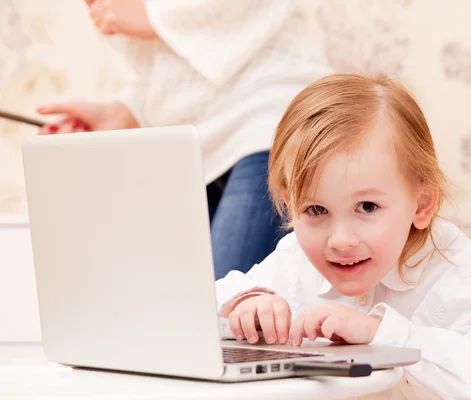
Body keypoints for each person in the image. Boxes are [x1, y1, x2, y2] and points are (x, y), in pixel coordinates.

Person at [215, 74, 471, 399]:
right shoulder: (294, 259)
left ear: (422, 204)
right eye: (315, 210)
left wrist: (382, 335)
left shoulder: (466, 275)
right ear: (290, 206)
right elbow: (196, 313)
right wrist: (245, 304)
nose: (340, 240)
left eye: (367, 207)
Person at [36, 0, 332, 279]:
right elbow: (165, 69)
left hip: (267, 125)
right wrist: (121, 112)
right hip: (199, 151)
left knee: (222, 310)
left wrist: (155, 14)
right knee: (184, 307)